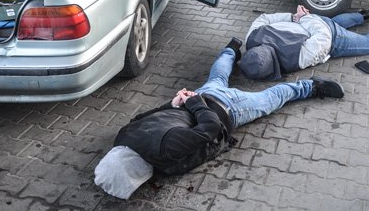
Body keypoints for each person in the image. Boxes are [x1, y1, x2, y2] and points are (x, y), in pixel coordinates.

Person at [94, 38, 344, 199]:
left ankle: (312, 86)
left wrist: (194, 104)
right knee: (218, 74)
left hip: (230, 109)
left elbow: (211, 128)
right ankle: (231, 49)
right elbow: (144, 116)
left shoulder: (166, 151)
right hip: (199, 97)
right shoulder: (123, 136)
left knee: (273, 98)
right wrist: (176, 103)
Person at [239, 5, 369, 80]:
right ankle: (362, 15)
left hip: (327, 34)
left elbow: (324, 37)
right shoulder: (253, 37)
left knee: (368, 44)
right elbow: (265, 18)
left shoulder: (295, 59)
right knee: (335, 22)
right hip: (316, 26)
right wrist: (297, 18)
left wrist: (300, 18)